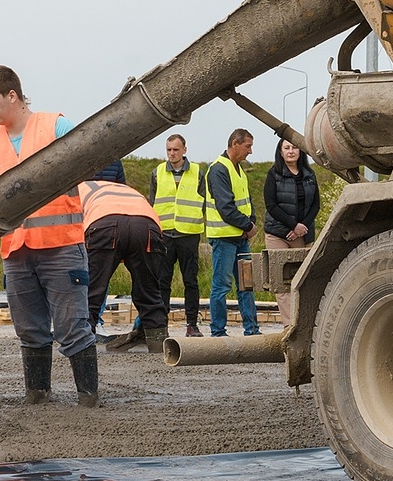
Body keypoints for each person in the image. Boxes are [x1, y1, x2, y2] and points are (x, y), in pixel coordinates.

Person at [0, 65, 97, 406]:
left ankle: (88, 400)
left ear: (13, 95)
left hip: (61, 247)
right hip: (15, 250)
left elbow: (90, 161)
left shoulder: (56, 126)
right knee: (29, 329)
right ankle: (37, 396)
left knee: (72, 327)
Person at [80, 162, 169, 356]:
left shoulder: (79, 189)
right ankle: (159, 344)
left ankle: (81, 345)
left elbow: (71, 235)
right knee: (150, 291)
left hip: (104, 223)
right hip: (147, 226)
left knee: (92, 291)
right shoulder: (125, 188)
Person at [150, 133, 207, 339]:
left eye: (175, 149)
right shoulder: (157, 173)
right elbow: (151, 204)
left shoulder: (198, 173)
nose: (172, 154)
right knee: (162, 281)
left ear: (184, 150)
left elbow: (205, 202)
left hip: (188, 234)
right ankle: (161, 324)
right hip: (164, 234)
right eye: (168, 150)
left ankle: (192, 324)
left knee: (190, 281)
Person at [206, 128, 260, 338]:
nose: (250, 151)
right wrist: (248, 226)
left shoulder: (238, 170)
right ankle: (218, 331)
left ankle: (252, 329)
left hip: (240, 238)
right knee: (221, 286)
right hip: (224, 237)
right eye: (248, 146)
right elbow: (225, 207)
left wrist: (250, 223)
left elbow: (247, 203)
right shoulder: (219, 170)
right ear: (235, 144)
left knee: (247, 284)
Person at [263, 138, 320, 249]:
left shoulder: (310, 174)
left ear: (300, 151)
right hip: (277, 234)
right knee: (279, 266)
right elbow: (271, 205)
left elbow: (315, 205)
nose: (291, 151)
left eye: (294, 147)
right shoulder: (273, 174)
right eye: (286, 148)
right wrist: (294, 226)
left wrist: (301, 228)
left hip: (303, 234)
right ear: (281, 152)